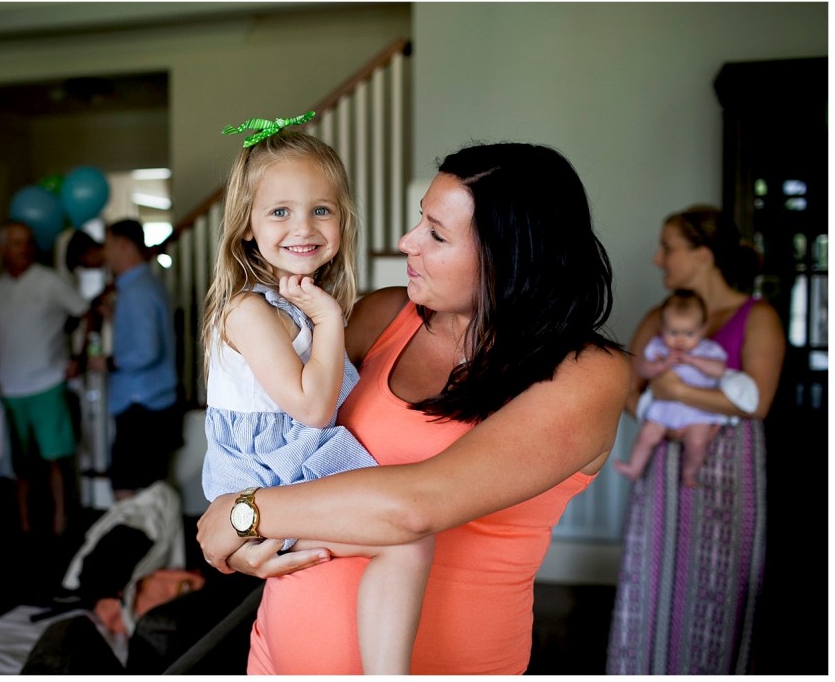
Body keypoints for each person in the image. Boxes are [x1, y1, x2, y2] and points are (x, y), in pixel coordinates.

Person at [197, 140, 631, 674]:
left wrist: (244, 514)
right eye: (418, 220)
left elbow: (417, 504)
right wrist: (247, 539)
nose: (407, 242)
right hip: (277, 659)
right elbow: (273, 427)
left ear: (509, 254)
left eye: (436, 234)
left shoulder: (587, 374)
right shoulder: (383, 315)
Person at [199, 118, 436, 675]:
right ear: (247, 228)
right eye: (279, 211)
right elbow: (312, 407)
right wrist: (329, 320)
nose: (302, 226)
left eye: (321, 209)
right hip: (269, 476)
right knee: (405, 542)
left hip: (292, 468)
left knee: (402, 538)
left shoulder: (290, 304)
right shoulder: (250, 310)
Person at [606, 205, 785, 674]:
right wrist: (659, 414)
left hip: (729, 469)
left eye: (668, 248)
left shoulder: (757, 316)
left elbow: (758, 402)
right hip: (664, 464)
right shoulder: (659, 317)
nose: (657, 259)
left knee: (720, 582)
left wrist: (679, 392)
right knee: (655, 574)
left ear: (703, 255)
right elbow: (629, 386)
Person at [0, 220, 91, 536]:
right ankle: (25, 523)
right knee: (19, 465)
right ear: (3, 249)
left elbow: (87, 312)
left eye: (28, 242)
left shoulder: (50, 282)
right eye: (16, 243)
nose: (24, 248)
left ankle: (60, 518)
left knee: (55, 459)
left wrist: (78, 357)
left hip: (47, 382)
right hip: (8, 387)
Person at [87, 218, 182, 500]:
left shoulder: (137, 289)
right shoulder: (144, 284)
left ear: (123, 246)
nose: (104, 253)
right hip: (150, 399)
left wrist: (108, 363)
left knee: (129, 485)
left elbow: (146, 351)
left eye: (107, 245)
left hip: (142, 401)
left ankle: (136, 543)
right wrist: (115, 319)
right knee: (148, 483)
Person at [613, 289, 730, 487]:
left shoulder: (708, 350)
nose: (680, 340)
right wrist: (661, 365)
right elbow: (643, 368)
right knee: (646, 435)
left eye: (689, 333)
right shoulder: (658, 348)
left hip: (698, 409)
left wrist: (693, 360)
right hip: (666, 407)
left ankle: (690, 473)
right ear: (661, 328)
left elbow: (719, 370)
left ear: (703, 329)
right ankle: (634, 467)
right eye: (673, 332)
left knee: (697, 443)